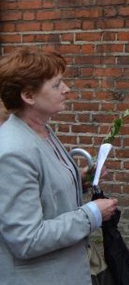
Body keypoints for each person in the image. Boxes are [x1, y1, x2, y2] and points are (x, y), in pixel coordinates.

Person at [0, 48, 119, 284]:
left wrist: (81, 179)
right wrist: (92, 214)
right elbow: (27, 238)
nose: (66, 89)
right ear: (29, 96)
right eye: (56, 85)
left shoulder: (41, 131)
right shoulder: (13, 151)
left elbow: (44, 192)